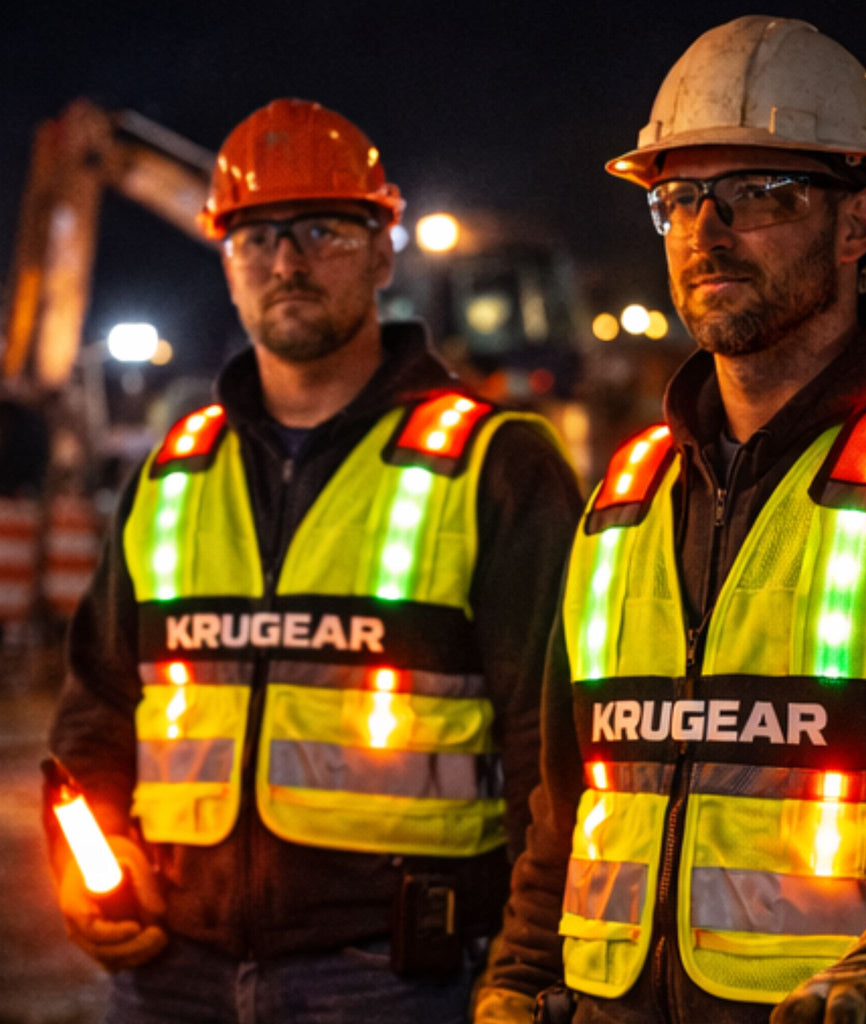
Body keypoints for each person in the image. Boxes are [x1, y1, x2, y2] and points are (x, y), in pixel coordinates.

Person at [473, 16, 866, 1024]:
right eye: (677, 199)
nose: (706, 231)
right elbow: (569, 798)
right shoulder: (628, 494)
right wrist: (515, 974)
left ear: (857, 224)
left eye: (757, 195)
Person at [44, 97, 582, 1023]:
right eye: (257, 237)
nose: (286, 262)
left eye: (322, 230)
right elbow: (97, 708)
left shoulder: (496, 465)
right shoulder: (174, 471)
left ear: (382, 251)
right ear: (226, 260)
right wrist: (86, 864)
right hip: (168, 969)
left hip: (401, 978)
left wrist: (534, 955)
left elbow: (557, 749)